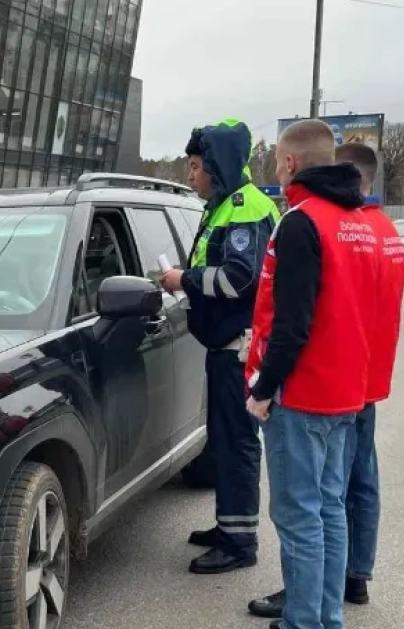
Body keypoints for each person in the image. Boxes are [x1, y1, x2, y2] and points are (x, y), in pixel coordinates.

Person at [236, 120, 382, 629]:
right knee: (328, 510)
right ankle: (329, 624)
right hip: (347, 390)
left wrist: (263, 388)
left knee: (298, 516)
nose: (275, 169)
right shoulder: (358, 222)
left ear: (292, 163)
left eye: (276, 160)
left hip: (303, 394)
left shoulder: (300, 223)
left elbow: (291, 323)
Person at [159, 118, 278, 574]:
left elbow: (237, 278)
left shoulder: (245, 208)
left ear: (216, 165)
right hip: (225, 345)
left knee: (237, 443)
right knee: (225, 441)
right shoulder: (225, 204)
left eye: (194, 166)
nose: (190, 175)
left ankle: (239, 542)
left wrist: (181, 280)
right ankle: (229, 526)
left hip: (239, 347)